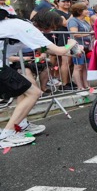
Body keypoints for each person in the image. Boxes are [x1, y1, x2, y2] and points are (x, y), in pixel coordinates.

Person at [0, 8, 82, 147]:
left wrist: (71, 54)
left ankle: (22, 124)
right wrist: (71, 44)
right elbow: (59, 50)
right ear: (47, 24)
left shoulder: (24, 25)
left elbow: (43, 49)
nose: (52, 31)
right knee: (34, 93)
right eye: (53, 27)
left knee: (24, 92)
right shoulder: (28, 28)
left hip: (3, 63)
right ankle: (7, 135)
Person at [67, 2, 93, 90]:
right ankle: (79, 86)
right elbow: (75, 33)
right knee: (78, 66)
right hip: (76, 46)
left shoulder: (85, 21)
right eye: (85, 9)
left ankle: (86, 85)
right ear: (79, 11)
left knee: (85, 66)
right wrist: (89, 34)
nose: (88, 11)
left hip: (86, 46)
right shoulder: (73, 20)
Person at [52, 0, 73, 90]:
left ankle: (69, 81)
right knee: (65, 61)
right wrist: (74, 15)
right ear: (58, 2)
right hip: (63, 38)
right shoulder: (56, 12)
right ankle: (64, 83)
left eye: (68, 1)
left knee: (71, 62)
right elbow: (65, 23)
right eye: (64, 1)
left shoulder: (69, 13)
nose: (66, 3)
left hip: (71, 38)